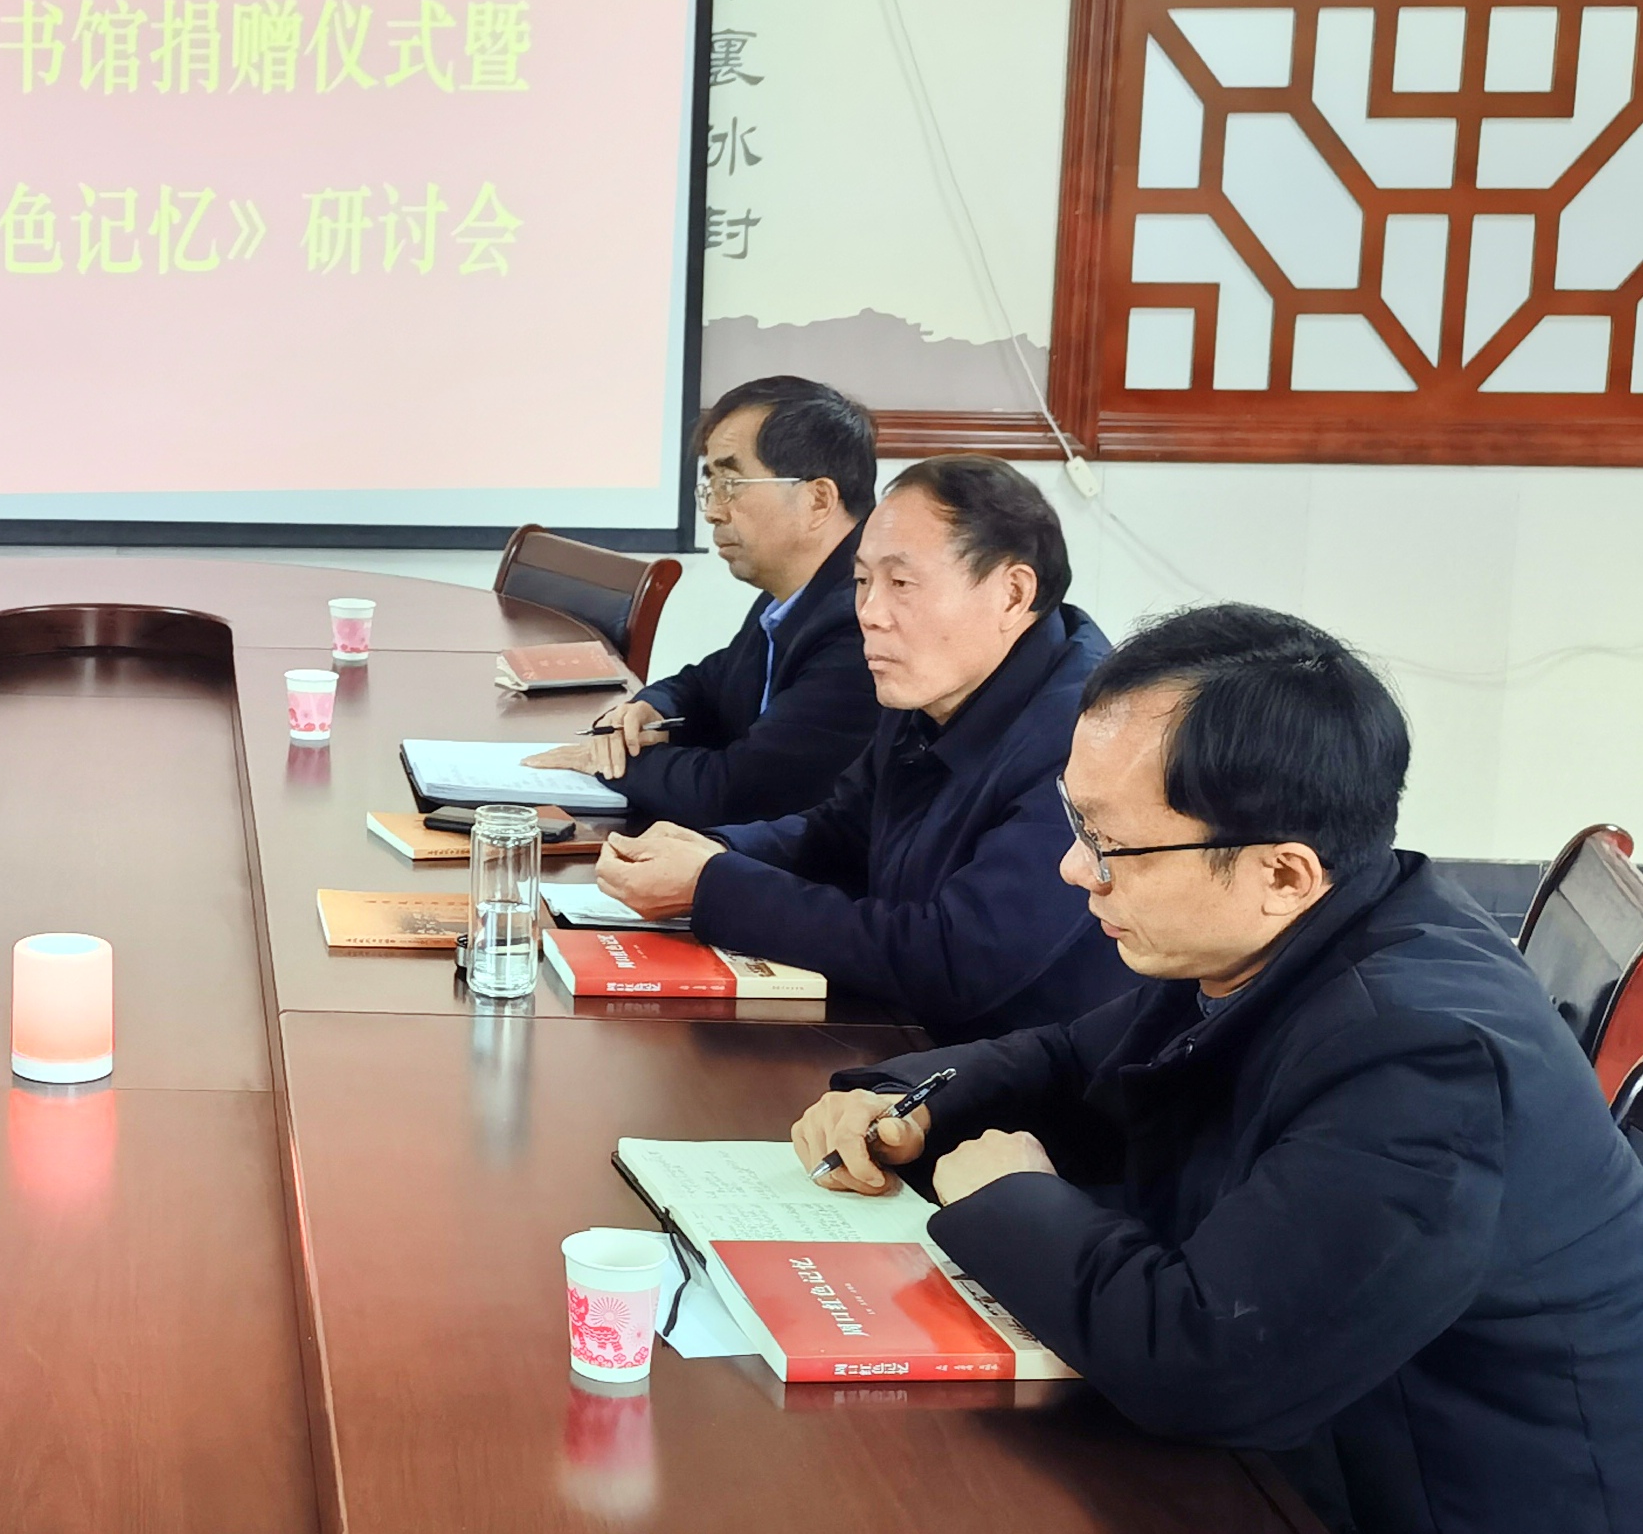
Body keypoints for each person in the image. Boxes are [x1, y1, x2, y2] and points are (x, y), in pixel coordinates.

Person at [791, 605, 1643, 1534]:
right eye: (1076, 818)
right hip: (1314, 1446)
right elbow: (1073, 1057)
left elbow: (1208, 1367)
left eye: (1109, 844)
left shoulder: (1421, 1059)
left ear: (1281, 873)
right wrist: (906, 1101)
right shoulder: (1291, 926)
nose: (1074, 869)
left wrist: (1008, 1197)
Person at [594, 454, 1123, 1041]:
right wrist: (715, 849)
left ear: (1012, 594)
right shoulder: (936, 682)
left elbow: (957, 959)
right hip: (902, 1037)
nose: (870, 615)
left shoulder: (1088, 738)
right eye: (863, 581)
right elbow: (843, 831)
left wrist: (714, 885)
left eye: (901, 584)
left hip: (1031, 1076)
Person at [524, 375, 878, 829]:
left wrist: (611, 760)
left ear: (818, 499)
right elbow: (711, 683)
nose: (712, 511)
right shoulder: (796, 595)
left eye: (731, 484)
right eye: (711, 486)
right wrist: (650, 710)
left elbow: (738, 794)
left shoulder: (863, 621)